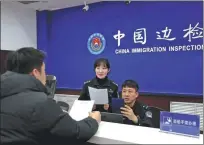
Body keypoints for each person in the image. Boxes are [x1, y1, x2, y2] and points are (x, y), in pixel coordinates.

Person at [0, 47, 101, 145]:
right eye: (44, 70)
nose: (45, 75)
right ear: (35, 73)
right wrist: (93, 120)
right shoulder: (40, 102)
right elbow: (75, 132)